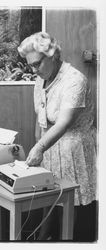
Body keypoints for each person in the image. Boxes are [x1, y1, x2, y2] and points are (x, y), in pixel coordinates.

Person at [17, 32, 97, 241]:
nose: (33, 70)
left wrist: (40, 147)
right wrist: (38, 146)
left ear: (52, 55)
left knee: (76, 209)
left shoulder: (74, 79)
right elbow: (41, 116)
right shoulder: (40, 79)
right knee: (52, 207)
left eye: (36, 64)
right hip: (51, 148)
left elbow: (63, 122)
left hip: (74, 152)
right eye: (30, 66)